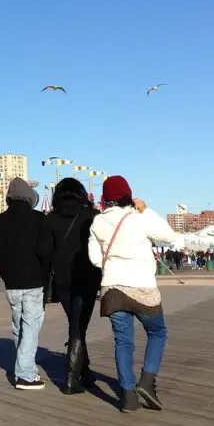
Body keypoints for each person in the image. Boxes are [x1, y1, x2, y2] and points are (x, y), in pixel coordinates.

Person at [88, 175, 177, 413]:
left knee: (123, 341)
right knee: (157, 332)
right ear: (128, 194)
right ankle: (147, 381)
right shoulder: (138, 218)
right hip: (141, 287)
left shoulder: (97, 222)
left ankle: (128, 397)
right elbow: (169, 237)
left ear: (105, 198)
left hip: (113, 288)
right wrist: (146, 211)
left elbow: (95, 259)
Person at [0, 178, 54, 390]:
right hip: (34, 282)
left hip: (11, 284)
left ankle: (27, 368)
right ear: (28, 197)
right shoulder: (38, 220)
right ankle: (24, 375)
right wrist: (44, 273)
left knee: (19, 326)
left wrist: (5, 273)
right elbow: (46, 252)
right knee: (31, 328)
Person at [45, 177, 102, 394]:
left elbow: (45, 250)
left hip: (61, 281)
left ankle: (85, 372)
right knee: (79, 326)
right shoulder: (92, 217)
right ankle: (71, 378)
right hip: (86, 279)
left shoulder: (50, 219)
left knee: (75, 323)